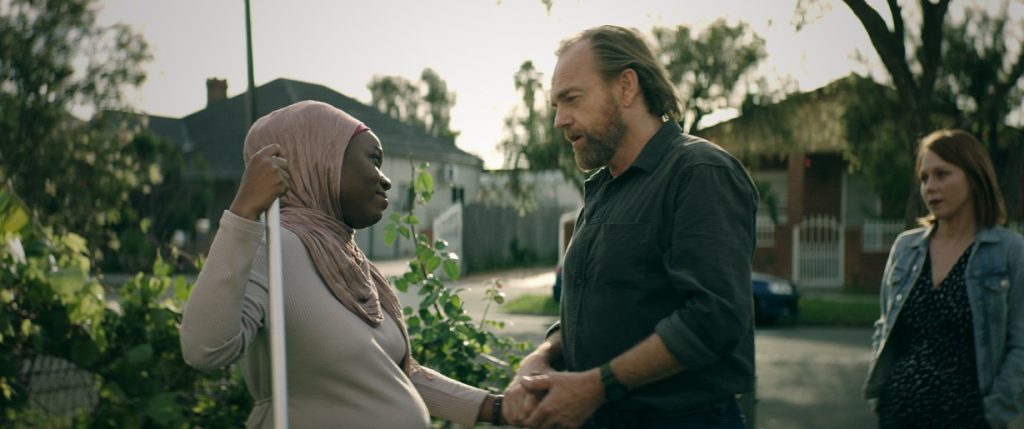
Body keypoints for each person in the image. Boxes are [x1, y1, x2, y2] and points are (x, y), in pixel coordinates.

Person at [179, 100, 509, 428]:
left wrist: (496, 408)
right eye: (374, 160)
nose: (385, 180)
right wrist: (243, 210)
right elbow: (204, 349)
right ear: (320, 159)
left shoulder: (346, 259)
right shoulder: (272, 246)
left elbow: (389, 376)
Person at [504, 25, 758, 429]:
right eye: (555, 105)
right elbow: (601, 312)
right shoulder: (605, 188)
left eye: (571, 99)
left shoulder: (699, 171)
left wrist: (596, 387)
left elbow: (714, 318)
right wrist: (543, 357)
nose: (559, 120)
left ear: (626, 87)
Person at [865, 129, 1024, 428]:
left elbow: (1020, 346)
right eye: (924, 178)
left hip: (969, 420)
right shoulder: (906, 249)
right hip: (897, 416)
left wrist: (993, 414)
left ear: (973, 178)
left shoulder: (1009, 252)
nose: (930, 187)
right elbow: (884, 327)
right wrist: (882, 396)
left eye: (941, 174)